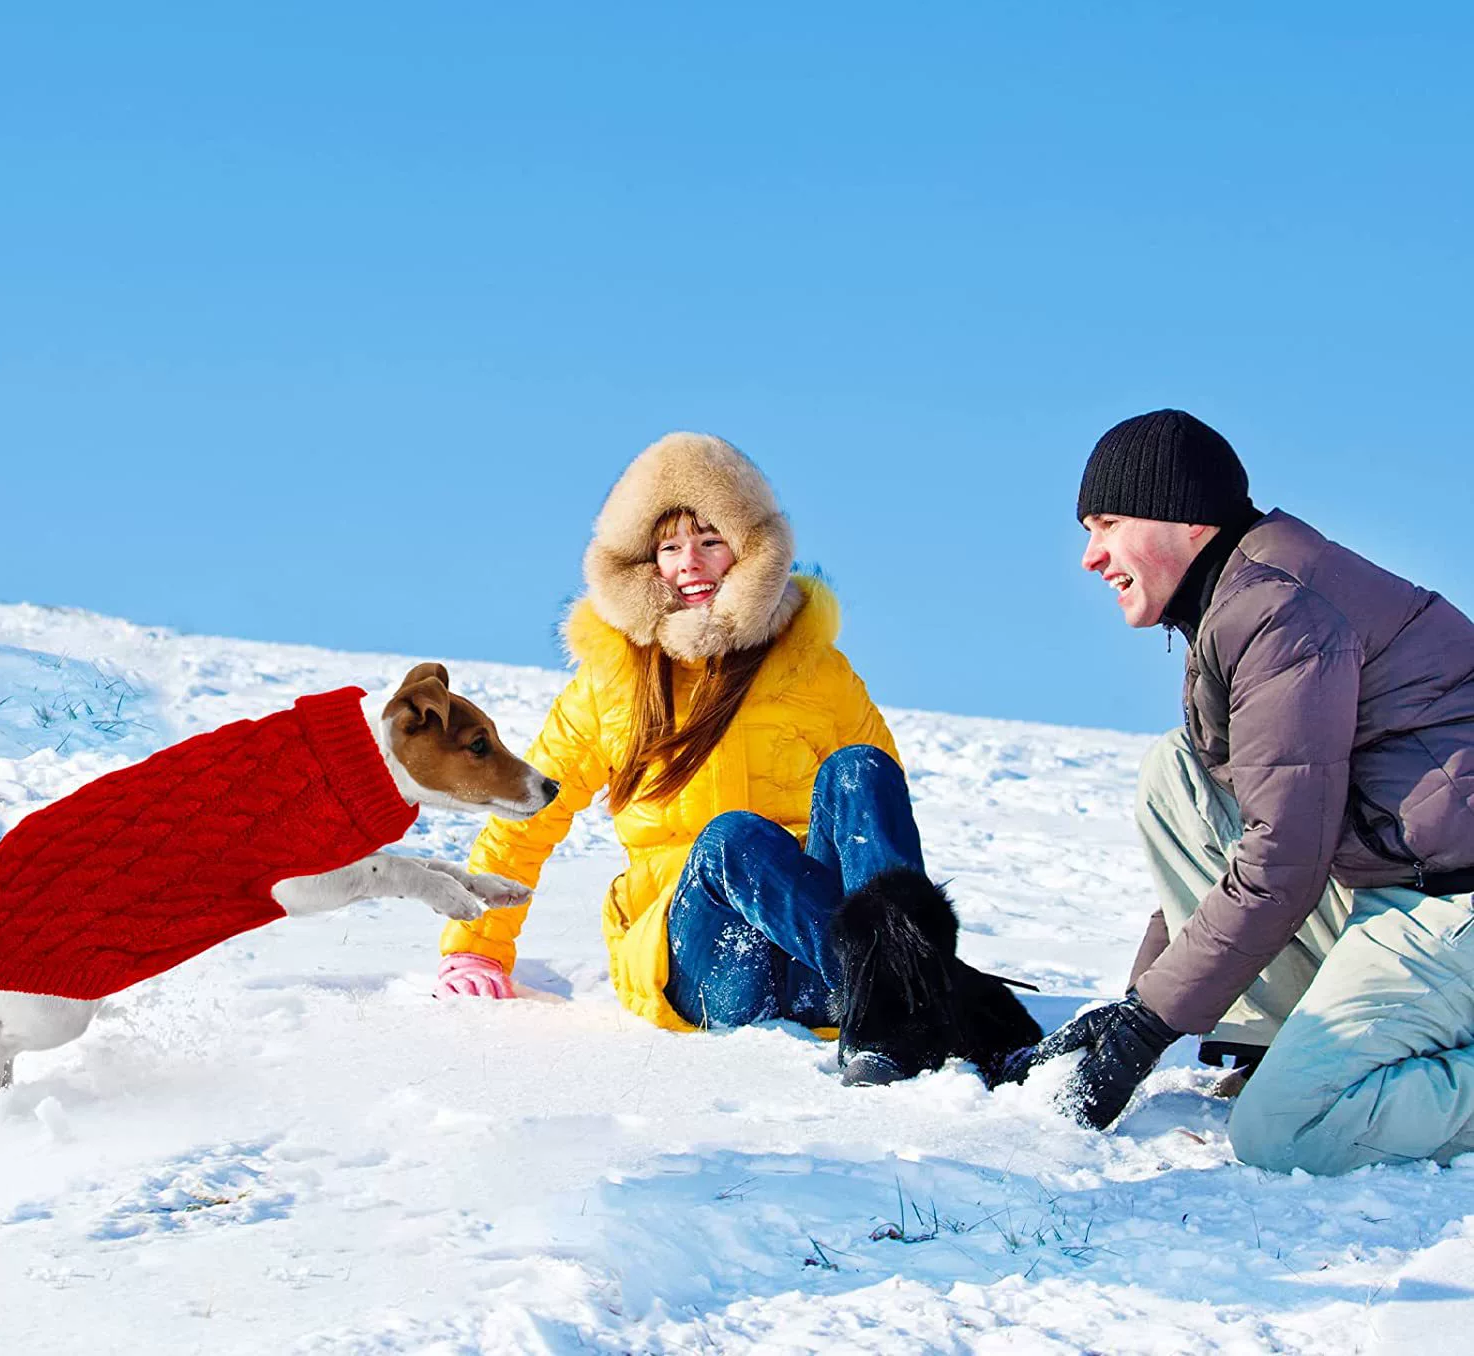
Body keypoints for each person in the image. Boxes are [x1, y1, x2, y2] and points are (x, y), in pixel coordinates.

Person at [431, 432, 1034, 1083]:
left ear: (746, 549)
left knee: (862, 768)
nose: (689, 562)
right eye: (669, 547)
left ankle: (895, 1013)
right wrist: (475, 949)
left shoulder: (813, 667)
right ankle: (934, 1005)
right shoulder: (612, 681)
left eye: (710, 540)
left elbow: (878, 827)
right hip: (704, 956)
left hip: (818, 963)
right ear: (643, 564)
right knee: (733, 839)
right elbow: (529, 814)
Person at [1016, 408, 1474, 1174]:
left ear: (1183, 518)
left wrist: (1149, 1026)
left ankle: (1317, 1077)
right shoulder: (1239, 600)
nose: (1091, 556)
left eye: (1107, 523)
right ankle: (1279, 1040)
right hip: (1395, 890)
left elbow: (1283, 860)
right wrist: (1135, 1007)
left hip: (1453, 905)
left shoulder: (1279, 608)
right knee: (1179, 774)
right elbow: (1235, 842)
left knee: (1289, 1133)